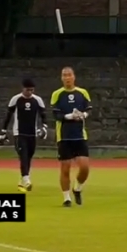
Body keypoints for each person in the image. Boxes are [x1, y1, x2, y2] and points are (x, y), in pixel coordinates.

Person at [0, 77, 47, 192]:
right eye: (27, 90)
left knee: (28, 157)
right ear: (23, 89)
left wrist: (44, 128)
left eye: (32, 90)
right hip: (19, 133)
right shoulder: (16, 99)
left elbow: (43, 115)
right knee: (23, 155)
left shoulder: (37, 100)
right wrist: (3, 132)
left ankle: (22, 180)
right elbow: (8, 116)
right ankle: (27, 180)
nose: (29, 92)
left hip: (32, 133)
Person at [50, 66, 91, 207]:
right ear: (61, 78)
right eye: (64, 75)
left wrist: (83, 115)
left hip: (80, 135)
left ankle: (77, 189)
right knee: (65, 168)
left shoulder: (82, 92)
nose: (67, 77)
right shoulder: (57, 94)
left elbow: (88, 109)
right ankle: (66, 198)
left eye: (69, 75)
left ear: (74, 76)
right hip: (64, 136)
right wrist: (69, 116)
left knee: (85, 167)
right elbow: (56, 114)